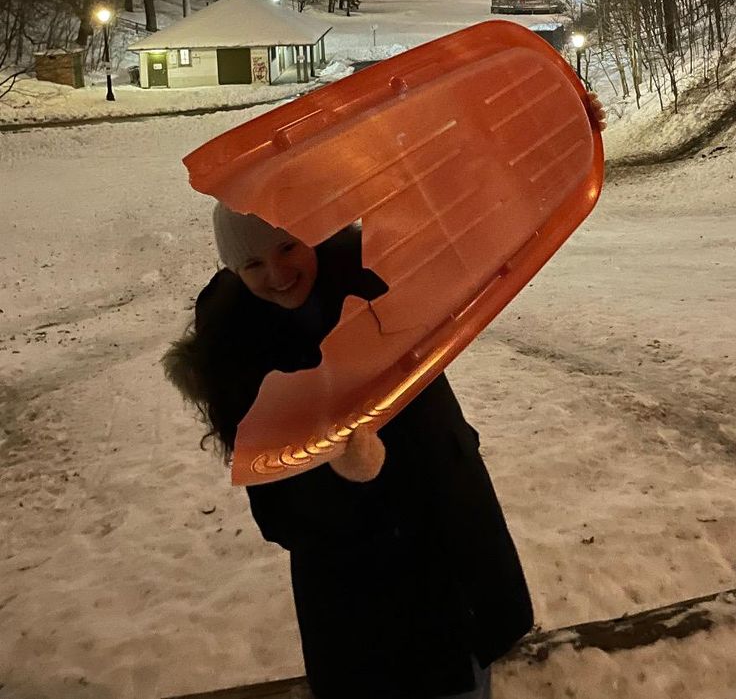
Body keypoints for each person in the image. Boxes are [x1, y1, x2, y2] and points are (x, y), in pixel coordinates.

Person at [164, 92, 607, 699]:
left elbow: (478, 209)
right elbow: (278, 515)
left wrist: (555, 129)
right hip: (367, 608)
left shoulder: (383, 276)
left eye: (288, 247)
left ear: (312, 236)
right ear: (234, 274)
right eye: (253, 265)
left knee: (467, 682)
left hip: (456, 558)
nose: (278, 273)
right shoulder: (241, 361)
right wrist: (339, 477)